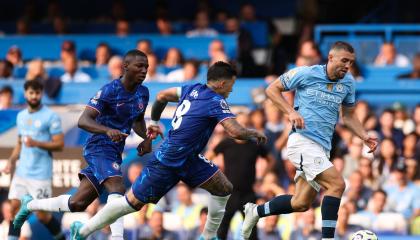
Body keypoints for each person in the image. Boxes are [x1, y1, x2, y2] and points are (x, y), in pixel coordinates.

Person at [69, 61, 267, 240]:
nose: (231, 90)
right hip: (168, 160)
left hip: (189, 158)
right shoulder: (216, 101)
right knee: (130, 204)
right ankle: (84, 230)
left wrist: (154, 121)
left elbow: (162, 96)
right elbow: (234, 131)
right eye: (231, 85)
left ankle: (208, 237)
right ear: (222, 83)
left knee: (224, 188)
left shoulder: (192, 89)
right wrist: (253, 133)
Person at [241, 41, 378, 240]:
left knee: (301, 203)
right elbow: (272, 89)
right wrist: (289, 112)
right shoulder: (306, 73)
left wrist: (364, 136)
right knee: (337, 184)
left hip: (322, 148)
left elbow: (348, 116)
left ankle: (256, 211)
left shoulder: (348, 82)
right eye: (344, 60)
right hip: (302, 142)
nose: (347, 66)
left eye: (351, 62)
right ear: (331, 58)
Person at [12, 50, 152, 240]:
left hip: (114, 150)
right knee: (118, 188)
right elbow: (83, 120)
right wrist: (106, 130)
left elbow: (137, 120)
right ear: (125, 67)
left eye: (146, 67)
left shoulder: (143, 93)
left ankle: (30, 205)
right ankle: (117, 237)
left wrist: (147, 137)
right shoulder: (110, 90)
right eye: (139, 66)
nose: (144, 70)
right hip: (98, 147)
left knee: (77, 203)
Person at [2, 80, 65, 240]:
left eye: (37, 93)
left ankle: (61, 238)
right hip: (22, 172)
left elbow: (59, 144)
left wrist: (36, 143)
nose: (34, 96)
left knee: (42, 216)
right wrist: (11, 161)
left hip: (40, 175)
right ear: (25, 94)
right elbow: (19, 143)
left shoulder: (50, 116)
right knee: (14, 208)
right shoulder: (21, 116)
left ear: (41, 94)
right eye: (31, 93)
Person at [207, 112, 275, 240]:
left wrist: (261, 177)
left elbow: (271, 160)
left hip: (248, 193)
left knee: (251, 231)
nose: (243, 126)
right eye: (241, 123)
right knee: (222, 229)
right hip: (229, 194)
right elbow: (208, 157)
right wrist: (215, 177)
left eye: (247, 124)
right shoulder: (226, 143)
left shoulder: (255, 145)